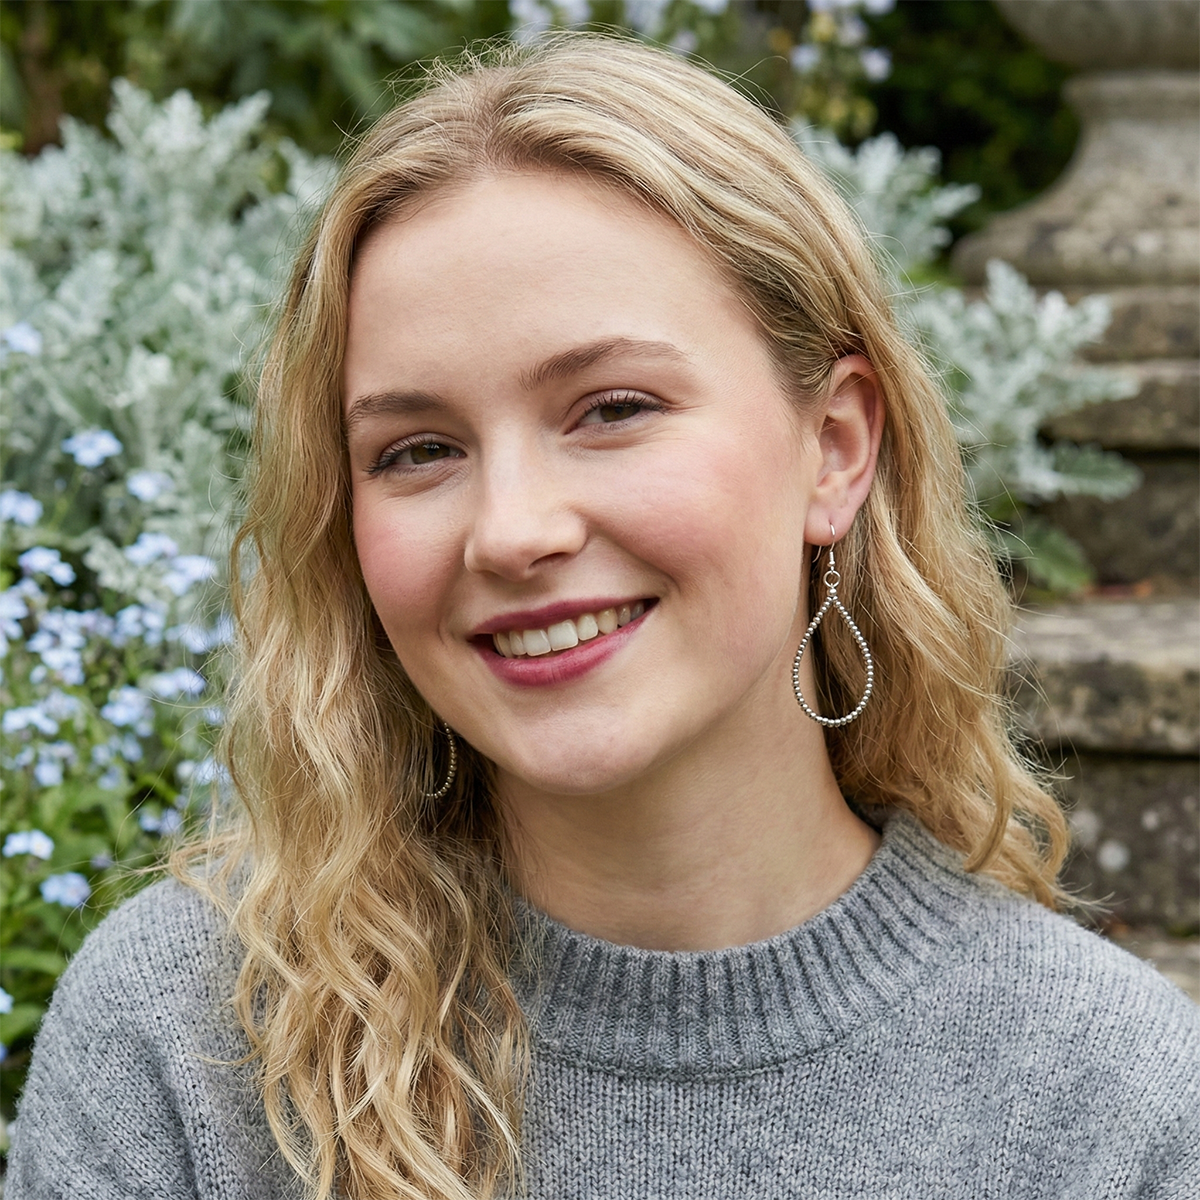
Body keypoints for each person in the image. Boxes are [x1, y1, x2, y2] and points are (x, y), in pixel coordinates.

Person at [9, 33, 1200, 1200]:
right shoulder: (187, 1044)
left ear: (835, 448)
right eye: (418, 450)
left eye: (613, 409)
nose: (511, 530)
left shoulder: (1109, 1103)